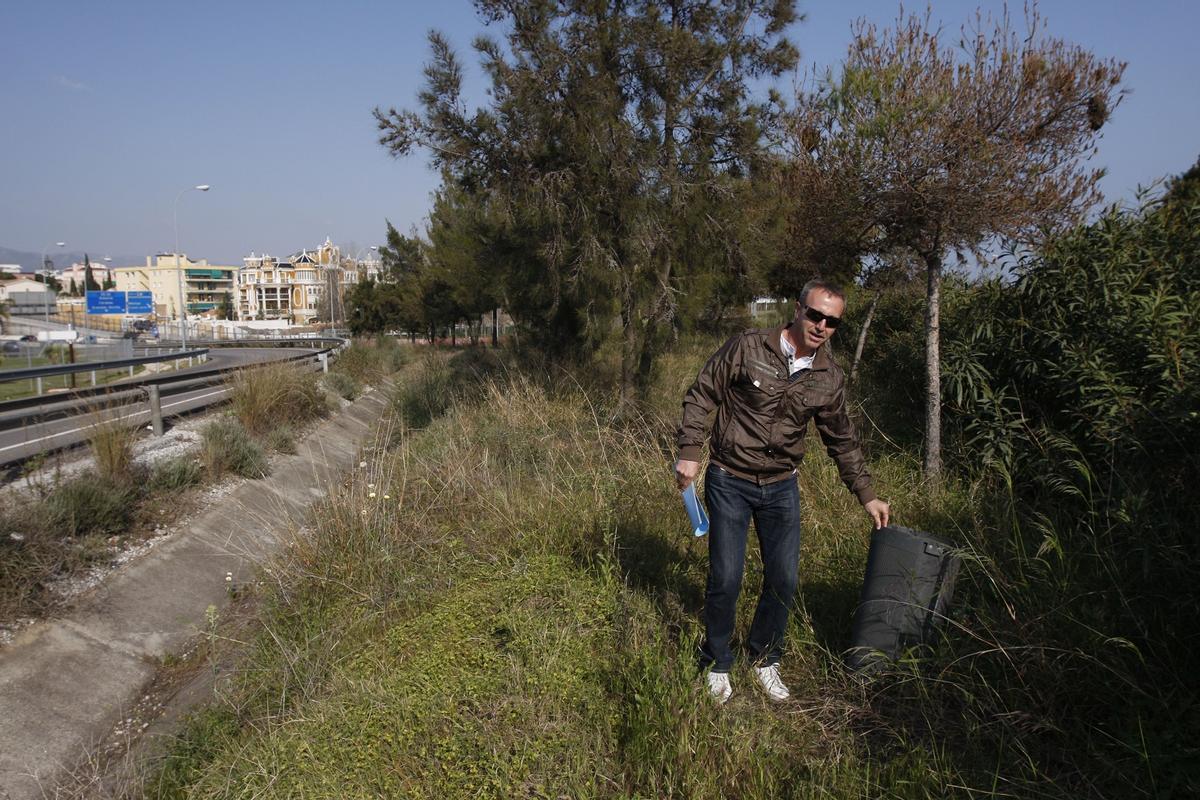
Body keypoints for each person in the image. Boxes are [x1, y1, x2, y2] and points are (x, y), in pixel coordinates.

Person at [674, 279, 889, 704]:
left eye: (832, 321)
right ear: (797, 310)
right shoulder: (748, 347)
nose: (821, 326)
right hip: (730, 478)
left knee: (784, 579)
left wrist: (866, 493)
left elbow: (841, 439)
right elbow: (702, 394)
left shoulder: (828, 377)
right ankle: (716, 661)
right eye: (816, 315)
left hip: (780, 485)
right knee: (727, 578)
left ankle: (764, 657)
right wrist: (689, 452)